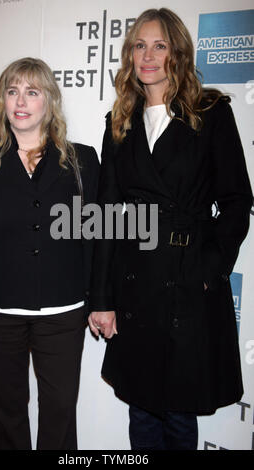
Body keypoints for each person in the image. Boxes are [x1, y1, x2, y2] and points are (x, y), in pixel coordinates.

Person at [88, 8, 253, 450]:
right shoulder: (118, 122)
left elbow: (237, 200)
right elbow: (106, 214)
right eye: (139, 45)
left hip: (188, 280)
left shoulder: (210, 112)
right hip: (135, 281)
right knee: (141, 410)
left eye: (159, 45)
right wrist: (102, 299)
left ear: (177, 51)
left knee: (179, 415)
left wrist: (210, 265)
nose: (148, 55)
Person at [0, 57, 99, 450]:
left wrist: (101, 301)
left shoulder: (82, 160)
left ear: (48, 102)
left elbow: (94, 240)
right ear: (2, 100)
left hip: (63, 312)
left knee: (59, 413)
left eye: (32, 92)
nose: (21, 100)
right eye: (12, 91)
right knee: (5, 414)